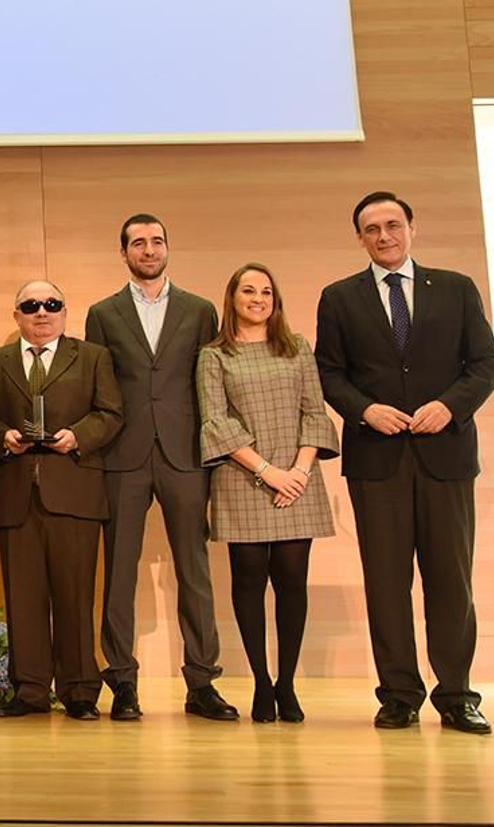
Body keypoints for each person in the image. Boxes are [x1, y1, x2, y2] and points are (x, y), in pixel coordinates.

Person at [316, 191, 494, 735]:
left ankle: (456, 695)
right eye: (371, 229)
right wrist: (365, 409)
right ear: (360, 239)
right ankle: (398, 694)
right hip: (377, 461)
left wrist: (450, 405)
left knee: (451, 580)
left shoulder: (456, 288)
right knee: (387, 581)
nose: (384, 236)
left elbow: (487, 362)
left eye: (392, 225)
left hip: (445, 456)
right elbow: (328, 372)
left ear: (411, 228)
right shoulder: (340, 297)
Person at [85, 213, 236, 722]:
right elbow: (100, 389)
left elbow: (209, 384)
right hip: (123, 456)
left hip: (185, 453)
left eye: (156, 241)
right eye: (138, 243)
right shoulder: (103, 314)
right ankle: (123, 683)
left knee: (194, 572)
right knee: (120, 572)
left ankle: (202, 683)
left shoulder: (200, 310)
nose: (149, 250)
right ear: (123, 252)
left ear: (167, 247)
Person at [197, 263, 339, 724]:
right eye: (248, 290)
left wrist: (296, 471)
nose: (258, 298)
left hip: (298, 479)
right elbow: (216, 421)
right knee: (249, 584)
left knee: (292, 586)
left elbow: (313, 412)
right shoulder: (215, 355)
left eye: (266, 291)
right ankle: (260, 682)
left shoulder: (297, 347)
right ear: (232, 297)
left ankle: (287, 684)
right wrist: (268, 473)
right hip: (244, 480)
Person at [0, 280, 121, 721]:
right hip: (16, 492)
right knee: (23, 597)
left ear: (64, 311)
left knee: (75, 596)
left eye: (52, 304)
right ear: (16, 314)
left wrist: (78, 437)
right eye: (31, 305)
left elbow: (111, 413)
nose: (42, 312)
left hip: (74, 488)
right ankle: (31, 690)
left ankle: (80, 690)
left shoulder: (93, 357)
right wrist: (2, 436)